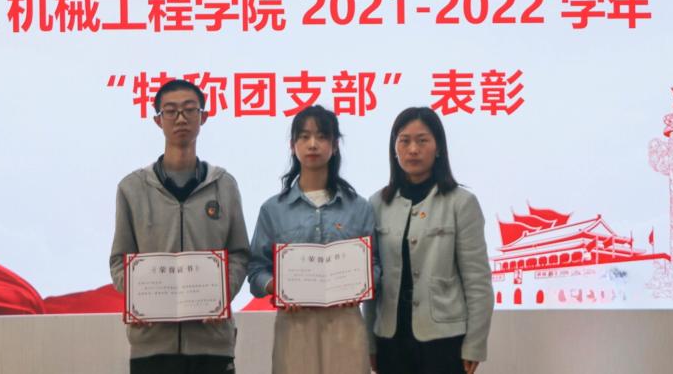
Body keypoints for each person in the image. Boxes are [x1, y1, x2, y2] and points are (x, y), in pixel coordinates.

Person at [110, 79, 250, 374]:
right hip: (152, 344)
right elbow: (120, 260)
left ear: (204, 117)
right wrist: (137, 297)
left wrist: (222, 294)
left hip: (212, 342)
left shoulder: (224, 185)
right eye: (171, 111)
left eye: (190, 109)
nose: (181, 118)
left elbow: (239, 253)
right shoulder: (132, 188)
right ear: (158, 120)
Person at [248, 105, 378, 374]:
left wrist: (361, 286)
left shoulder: (359, 207)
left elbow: (375, 264)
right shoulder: (273, 209)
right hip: (295, 327)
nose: (313, 144)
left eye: (322, 136)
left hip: (345, 325)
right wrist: (276, 286)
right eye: (304, 136)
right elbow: (256, 270)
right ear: (292, 145)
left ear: (335, 145)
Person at [365, 107, 494, 374]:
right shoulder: (377, 203)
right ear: (394, 148)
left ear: (438, 148)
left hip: (444, 340)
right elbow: (370, 283)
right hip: (391, 339)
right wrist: (369, 342)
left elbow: (477, 280)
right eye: (404, 141)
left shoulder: (461, 203)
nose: (413, 149)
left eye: (422, 140)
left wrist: (475, 343)